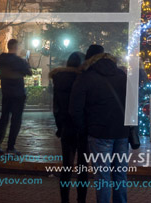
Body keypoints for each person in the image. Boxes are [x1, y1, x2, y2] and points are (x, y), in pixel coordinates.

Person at [70, 44, 130, 203]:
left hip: (99, 132)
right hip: (122, 132)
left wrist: (85, 127)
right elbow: (131, 104)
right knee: (120, 174)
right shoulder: (122, 76)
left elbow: (75, 109)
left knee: (102, 175)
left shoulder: (86, 76)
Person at [52, 52, 88, 203]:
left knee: (66, 166)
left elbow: (56, 107)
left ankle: (64, 199)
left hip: (66, 126)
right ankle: (81, 199)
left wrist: (60, 126)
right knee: (82, 168)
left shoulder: (59, 80)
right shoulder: (83, 79)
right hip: (82, 127)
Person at [0, 38, 33, 155]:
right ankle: (10, 147)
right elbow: (29, 72)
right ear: (16, 47)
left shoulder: (0, 59)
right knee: (16, 121)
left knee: (3, 119)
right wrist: (25, 62)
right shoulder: (19, 61)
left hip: (6, 93)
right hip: (18, 94)